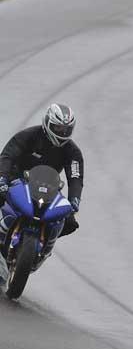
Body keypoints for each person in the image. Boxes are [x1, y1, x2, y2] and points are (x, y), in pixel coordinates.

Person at [0, 104, 84, 257]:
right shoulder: (28, 135)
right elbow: (7, 156)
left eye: (66, 129)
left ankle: (44, 244)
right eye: (58, 128)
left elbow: (76, 177)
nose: (62, 132)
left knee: (70, 222)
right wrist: (2, 179)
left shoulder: (73, 152)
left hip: (48, 187)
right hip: (16, 179)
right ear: (47, 122)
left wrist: (75, 199)